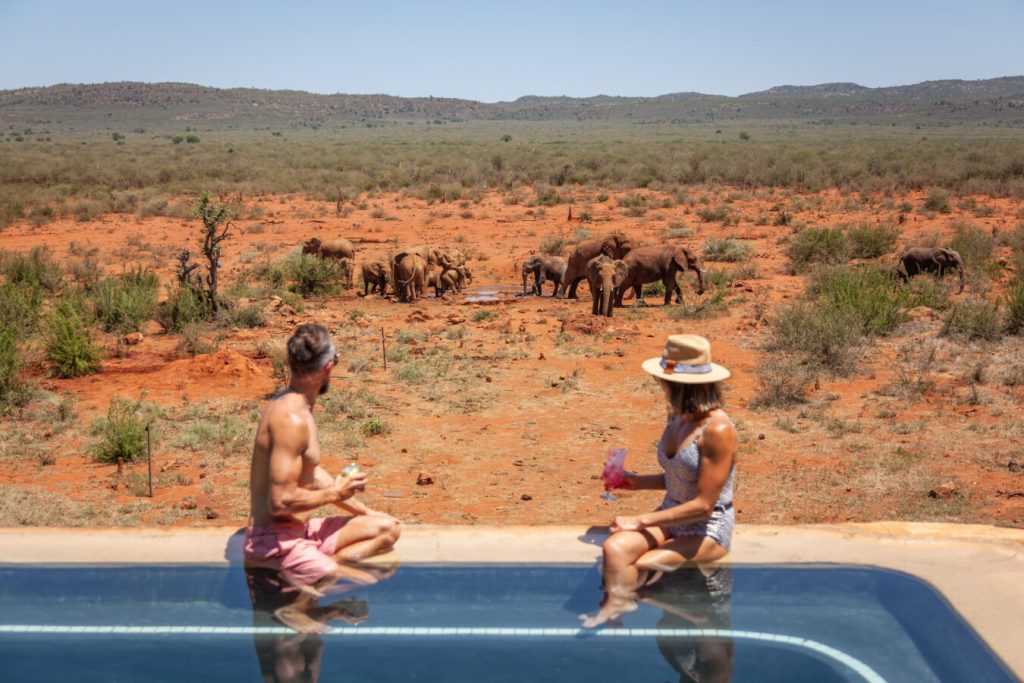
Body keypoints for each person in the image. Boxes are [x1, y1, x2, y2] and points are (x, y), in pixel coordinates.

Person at [582, 334, 737, 628]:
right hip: (672, 512)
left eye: (661, 379)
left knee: (640, 566)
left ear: (677, 384)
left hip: (709, 527)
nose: (658, 384)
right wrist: (637, 482)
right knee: (615, 551)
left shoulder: (717, 429)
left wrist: (639, 521)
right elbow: (679, 479)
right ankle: (615, 615)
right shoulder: (677, 417)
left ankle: (675, 611)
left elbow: (704, 504)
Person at [245, 323, 401, 593]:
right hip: (274, 543)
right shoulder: (291, 420)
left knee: (387, 529)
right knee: (369, 581)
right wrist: (335, 494)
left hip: (300, 532)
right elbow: (280, 502)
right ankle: (303, 589)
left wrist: (366, 512)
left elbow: (313, 475)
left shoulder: (298, 407)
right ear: (328, 367)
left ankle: (311, 575)